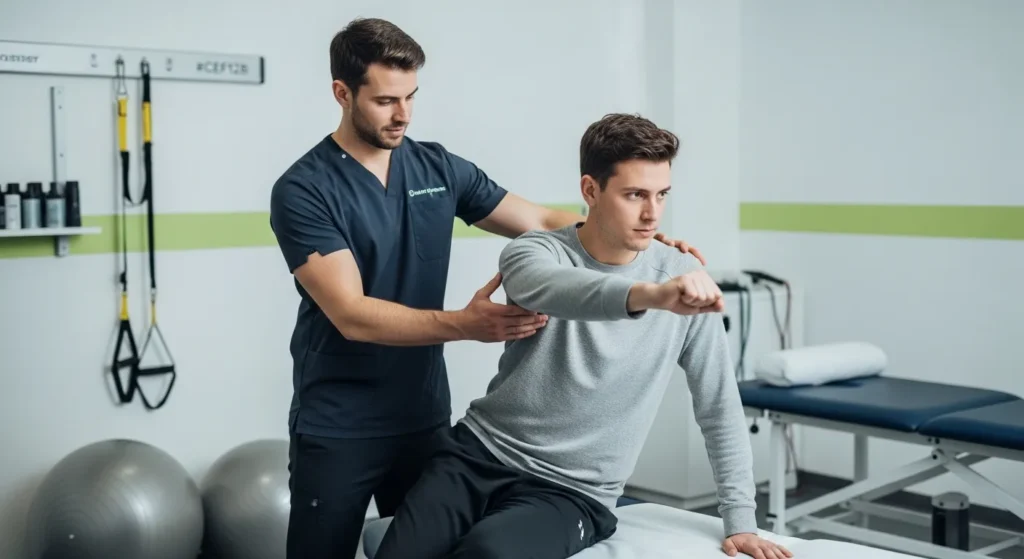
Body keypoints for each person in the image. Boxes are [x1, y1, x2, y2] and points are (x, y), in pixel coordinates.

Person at [268, 18, 704, 559]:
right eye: (385, 101)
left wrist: (638, 240)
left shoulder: (437, 167)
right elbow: (351, 314)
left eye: (411, 96)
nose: (403, 114)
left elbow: (543, 218)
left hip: (423, 416)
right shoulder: (303, 189)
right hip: (339, 423)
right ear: (342, 93)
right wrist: (466, 325)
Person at [373, 113, 796, 559]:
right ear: (590, 190)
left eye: (661, 195)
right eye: (635, 195)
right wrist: (649, 295)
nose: (652, 213)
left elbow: (718, 405)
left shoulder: (682, 277)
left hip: (573, 490)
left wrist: (741, 520)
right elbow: (562, 290)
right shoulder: (535, 252)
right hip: (476, 454)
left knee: (488, 553)